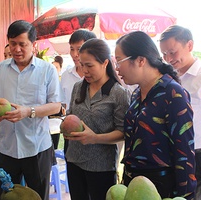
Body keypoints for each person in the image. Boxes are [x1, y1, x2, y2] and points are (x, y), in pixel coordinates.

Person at [0, 20, 63, 200]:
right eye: (13, 44)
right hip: (6, 147)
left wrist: (28, 111)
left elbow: (56, 105)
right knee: (5, 195)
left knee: (37, 196)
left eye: (22, 44)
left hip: (36, 148)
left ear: (33, 45)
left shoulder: (47, 70)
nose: (17, 49)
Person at [115, 31, 196, 199]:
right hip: (133, 183)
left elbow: (184, 153)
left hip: (160, 187)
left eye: (119, 61)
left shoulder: (173, 94)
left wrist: (184, 196)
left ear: (140, 60)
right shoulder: (137, 93)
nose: (116, 68)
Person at [159, 25, 201, 200]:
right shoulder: (165, 78)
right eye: (164, 54)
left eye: (172, 52)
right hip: (164, 155)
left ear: (189, 45)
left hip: (192, 156)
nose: (168, 59)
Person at [64, 38, 130, 200]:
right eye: (82, 64)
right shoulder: (78, 87)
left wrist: (94, 138)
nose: (84, 70)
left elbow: (123, 132)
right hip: (74, 159)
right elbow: (71, 115)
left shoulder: (118, 93)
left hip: (101, 166)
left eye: (89, 65)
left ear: (105, 63)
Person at [60, 29, 97, 154]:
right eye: (71, 49)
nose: (75, 54)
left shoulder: (100, 78)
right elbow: (64, 107)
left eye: (79, 48)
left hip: (96, 142)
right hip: (71, 138)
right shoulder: (66, 75)